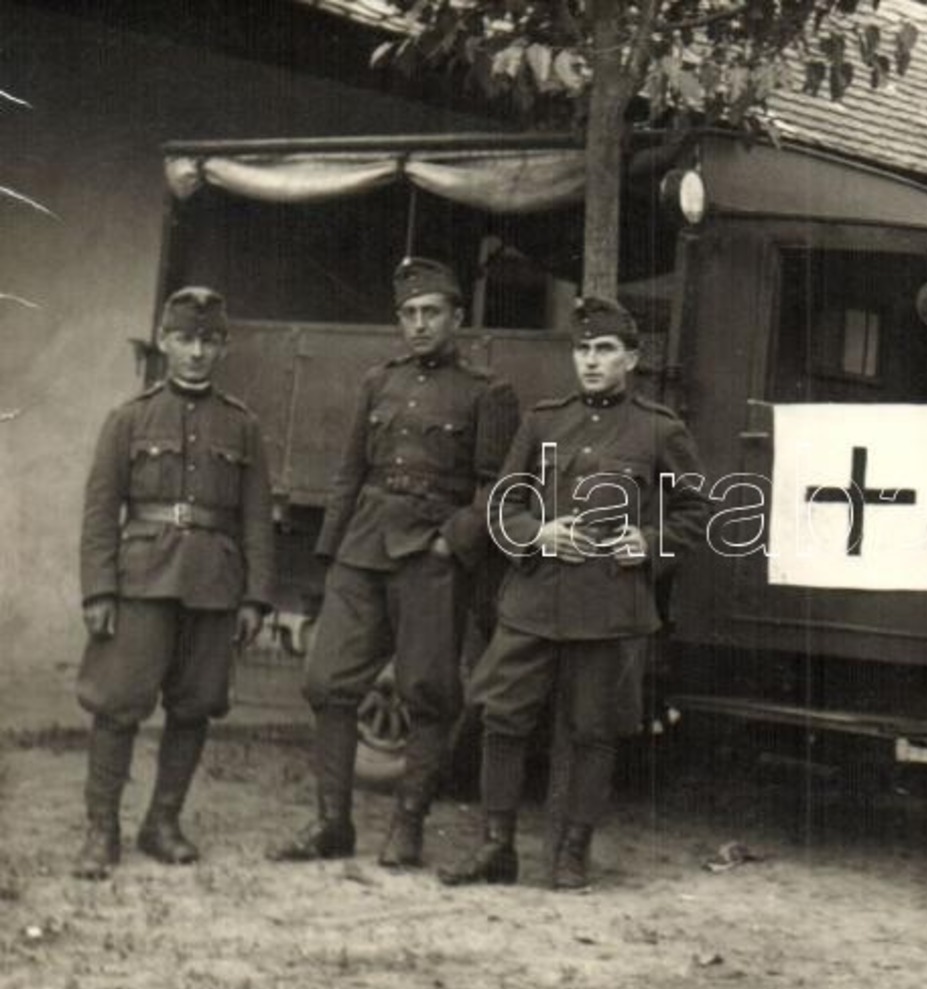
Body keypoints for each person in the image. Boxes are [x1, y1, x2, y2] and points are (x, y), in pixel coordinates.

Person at [439, 296, 709, 889]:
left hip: (609, 606)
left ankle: (572, 854)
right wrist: (537, 533)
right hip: (534, 601)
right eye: (583, 349)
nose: (590, 361)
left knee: (592, 730)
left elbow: (699, 511)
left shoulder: (659, 430)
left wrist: (649, 541)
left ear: (630, 359)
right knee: (502, 718)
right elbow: (502, 502)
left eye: (605, 349)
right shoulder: (542, 421)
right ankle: (496, 847)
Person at [269, 258, 518, 869]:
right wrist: (332, 551)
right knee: (326, 681)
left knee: (429, 694)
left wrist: (451, 543)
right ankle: (333, 823)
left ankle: (407, 826)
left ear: (457, 317)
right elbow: (352, 470)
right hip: (363, 550)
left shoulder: (488, 394)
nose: (419, 324)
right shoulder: (378, 383)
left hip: (430, 557)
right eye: (409, 314)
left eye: (431, 312)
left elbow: (499, 487)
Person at [75, 286, 274, 880]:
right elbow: (99, 513)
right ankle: (101, 828)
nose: (195, 353)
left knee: (194, 707)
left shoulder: (243, 427)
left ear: (223, 347)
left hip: (213, 586)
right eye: (185, 339)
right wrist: (98, 591)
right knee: (117, 705)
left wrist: (256, 598)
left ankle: (162, 823)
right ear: (164, 341)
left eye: (208, 341)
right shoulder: (128, 420)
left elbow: (257, 519)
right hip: (140, 583)